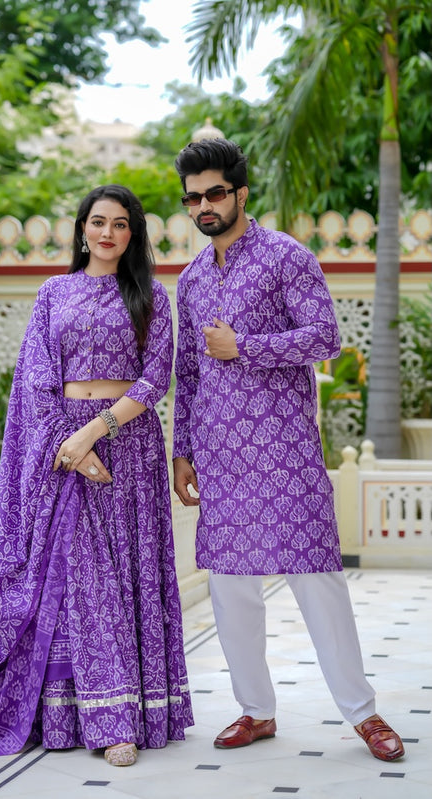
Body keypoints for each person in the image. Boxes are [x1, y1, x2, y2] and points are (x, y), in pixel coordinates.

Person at [171, 138, 404, 762]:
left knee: (317, 580)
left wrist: (244, 346)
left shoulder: (285, 259)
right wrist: (182, 450)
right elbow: (187, 373)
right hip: (221, 457)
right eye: (193, 198)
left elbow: (324, 336)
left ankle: (363, 713)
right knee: (230, 588)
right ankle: (256, 710)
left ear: (241, 193)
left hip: (285, 451)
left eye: (214, 193)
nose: (204, 206)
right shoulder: (191, 280)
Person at [0, 185, 194, 767]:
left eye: (120, 224)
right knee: (84, 579)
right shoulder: (53, 292)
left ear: (133, 234)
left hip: (127, 447)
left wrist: (94, 433)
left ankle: (123, 717)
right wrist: (69, 444)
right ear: (81, 229)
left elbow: (153, 382)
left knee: (123, 575)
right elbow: (37, 377)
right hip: (63, 450)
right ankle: (88, 718)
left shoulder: (150, 296)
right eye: (98, 222)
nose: (108, 233)